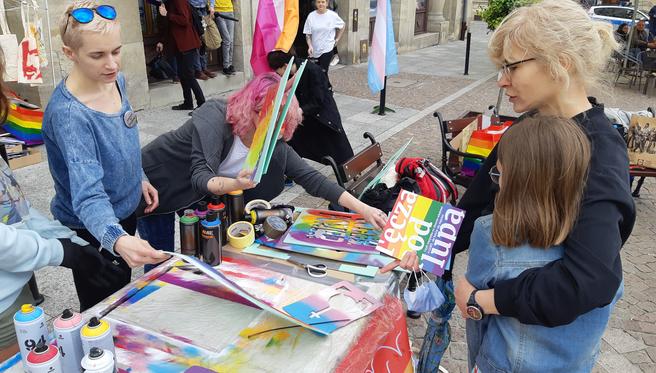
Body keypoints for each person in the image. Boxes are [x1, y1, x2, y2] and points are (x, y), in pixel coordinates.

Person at [383, 0, 636, 371]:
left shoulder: (599, 152)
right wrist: (410, 243)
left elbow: (590, 280)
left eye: (512, 67)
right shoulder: (525, 129)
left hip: (541, 354)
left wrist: (483, 301)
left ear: (560, 62)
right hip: (496, 346)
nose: (502, 80)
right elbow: (470, 212)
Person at [136, 73, 387, 254]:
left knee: (204, 251)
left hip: (194, 196)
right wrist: (235, 183)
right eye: (271, 121)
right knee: (159, 256)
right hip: (158, 183)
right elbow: (201, 176)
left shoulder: (272, 138)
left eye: (282, 125)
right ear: (252, 110)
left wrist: (364, 209)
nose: (276, 133)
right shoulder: (216, 115)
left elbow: (311, 178)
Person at [465, 116, 622, 373]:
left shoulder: (490, 232)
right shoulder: (603, 248)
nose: (498, 182)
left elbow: (476, 317)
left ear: (515, 179)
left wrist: (477, 363)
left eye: (499, 173)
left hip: (504, 364)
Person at [42, 0, 168, 311]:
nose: (112, 63)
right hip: (91, 227)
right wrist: (116, 239)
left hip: (124, 211)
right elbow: (87, 197)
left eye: (116, 51)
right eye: (97, 55)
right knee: (103, 306)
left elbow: (123, 136)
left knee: (122, 290)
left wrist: (138, 176)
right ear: (70, 53)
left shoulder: (117, 80)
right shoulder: (70, 115)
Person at [0, 55, 124, 360]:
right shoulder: (66, 110)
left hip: (17, 289)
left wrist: (77, 244)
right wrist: (62, 252)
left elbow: (19, 213)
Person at [267, 50, 353, 166]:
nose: (279, 75)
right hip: (304, 117)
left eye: (279, 72)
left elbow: (319, 100)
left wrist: (300, 110)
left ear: (285, 66)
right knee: (293, 142)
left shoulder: (312, 70)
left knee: (338, 149)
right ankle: (291, 171)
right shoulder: (290, 74)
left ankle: (351, 170)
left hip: (322, 116)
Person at [158, 0, 206, 110]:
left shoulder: (179, 1)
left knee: (189, 75)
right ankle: (188, 103)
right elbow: (169, 26)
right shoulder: (168, 2)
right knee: (182, 75)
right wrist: (162, 41)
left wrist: (167, 14)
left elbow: (185, 20)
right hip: (179, 45)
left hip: (187, 43)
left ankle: (202, 104)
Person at [303, 0, 345, 77]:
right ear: (315, 4)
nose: (321, 4)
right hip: (315, 50)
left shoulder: (332, 15)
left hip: (327, 48)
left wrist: (337, 39)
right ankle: (327, 87)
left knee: (322, 71)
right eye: (318, 2)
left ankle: (324, 88)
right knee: (317, 72)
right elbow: (308, 34)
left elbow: (342, 26)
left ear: (327, 3)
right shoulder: (311, 16)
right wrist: (310, 46)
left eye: (323, 2)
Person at [212, 0, 236, 75]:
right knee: (227, 39)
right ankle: (225, 66)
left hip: (230, 11)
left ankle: (230, 64)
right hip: (218, 12)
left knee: (231, 40)